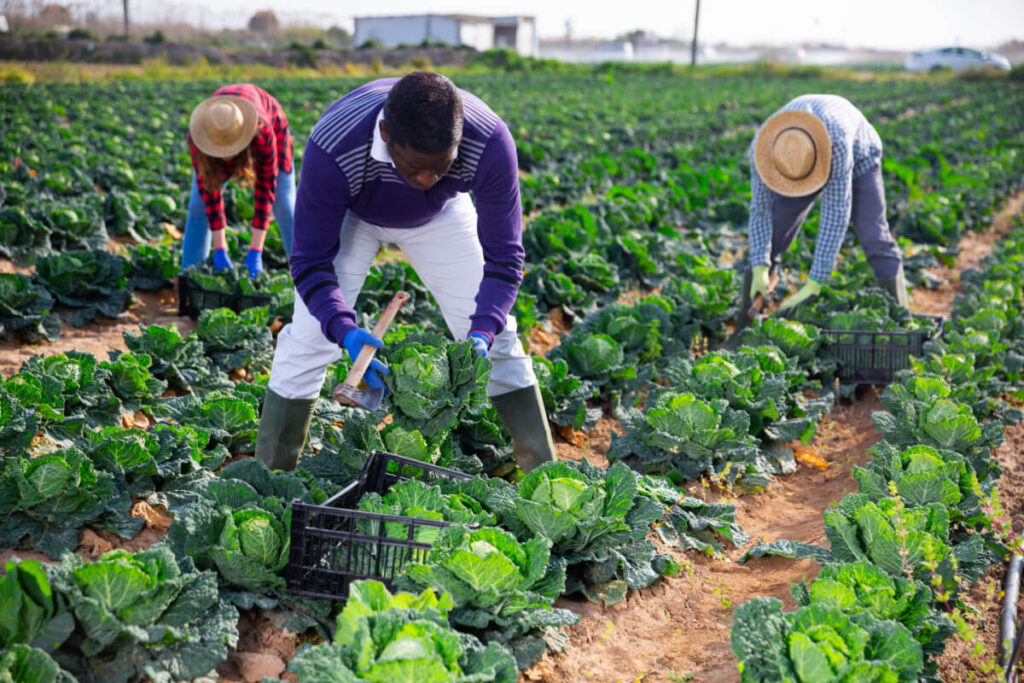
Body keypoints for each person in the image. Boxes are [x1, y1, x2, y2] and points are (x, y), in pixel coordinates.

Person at [255, 72, 556, 473]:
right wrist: (344, 329)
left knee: (499, 340)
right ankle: (271, 476)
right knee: (309, 340)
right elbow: (309, 262)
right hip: (354, 213)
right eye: (414, 166)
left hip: (440, 215)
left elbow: (504, 259)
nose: (426, 180)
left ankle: (541, 475)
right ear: (384, 133)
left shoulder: (488, 141)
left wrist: (483, 329)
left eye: (441, 167)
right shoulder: (335, 143)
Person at [741, 94, 907, 317]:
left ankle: (899, 317)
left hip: (859, 156)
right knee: (775, 231)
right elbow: (760, 211)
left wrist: (815, 281)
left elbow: (836, 213)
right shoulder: (764, 148)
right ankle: (750, 313)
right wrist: (760, 265)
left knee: (873, 234)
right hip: (798, 162)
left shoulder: (838, 142)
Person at [182, 84, 295, 278]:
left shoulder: (261, 133)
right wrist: (220, 248)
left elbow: (265, 190)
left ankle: (309, 275)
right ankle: (190, 278)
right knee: (198, 207)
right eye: (220, 148)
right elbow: (210, 194)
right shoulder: (198, 138)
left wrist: (255, 252)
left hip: (271, 127)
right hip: (216, 143)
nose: (226, 157)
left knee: (284, 206)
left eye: (230, 148)